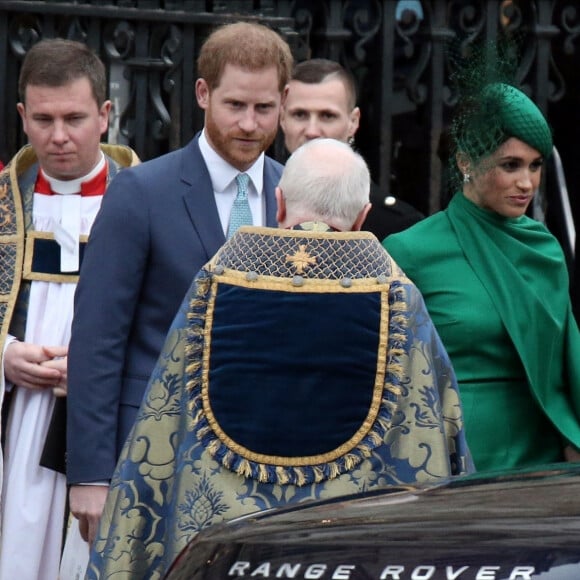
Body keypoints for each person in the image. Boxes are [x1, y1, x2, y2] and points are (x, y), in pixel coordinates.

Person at [86, 138, 473, 578]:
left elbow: (162, 422)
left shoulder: (215, 285)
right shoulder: (398, 299)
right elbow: (438, 422)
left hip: (228, 548)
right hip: (351, 547)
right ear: (364, 217)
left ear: (279, 202)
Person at [66, 21, 294, 547]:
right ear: (202, 93)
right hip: (150, 454)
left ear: (283, 101)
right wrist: (91, 475)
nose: (248, 123)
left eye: (263, 109)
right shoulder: (141, 191)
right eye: (234, 105)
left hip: (261, 461)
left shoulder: (291, 190)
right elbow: (98, 339)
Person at [384, 80, 580, 472]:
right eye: (511, 165)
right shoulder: (409, 250)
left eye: (535, 165)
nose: (526, 183)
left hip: (542, 459)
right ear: (466, 162)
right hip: (451, 455)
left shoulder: (545, 250)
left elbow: (565, 363)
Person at [0, 38, 139, 579]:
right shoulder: (7, 201)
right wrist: (5, 355)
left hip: (110, 426)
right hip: (16, 422)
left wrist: (102, 371)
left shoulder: (146, 198)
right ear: (22, 116)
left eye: (75, 118)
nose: (58, 137)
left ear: (105, 115)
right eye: (43, 119)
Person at [279, 58, 424, 239]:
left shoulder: (396, 225)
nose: (312, 131)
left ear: (353, 121)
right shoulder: (258, 200)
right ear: (282, 118)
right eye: (300, 115)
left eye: (327, 116)